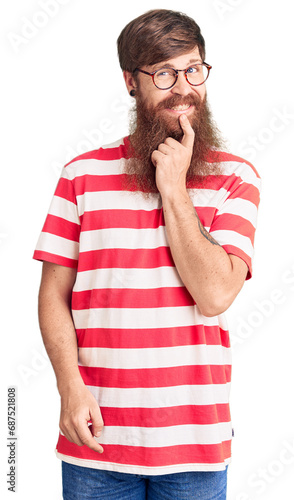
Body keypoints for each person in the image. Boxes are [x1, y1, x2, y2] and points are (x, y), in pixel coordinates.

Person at [34, 9, 261, 500]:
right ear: (131, 82)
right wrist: (69, 389)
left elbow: (216, 293)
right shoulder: (80, 176)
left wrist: (174, 189)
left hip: (194, 446)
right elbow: (54, 294)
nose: (183, 87)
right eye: (163, 73)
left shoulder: (237, 177)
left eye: (194, 69)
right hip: (96, 439)